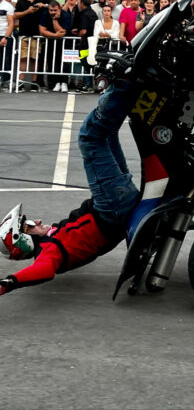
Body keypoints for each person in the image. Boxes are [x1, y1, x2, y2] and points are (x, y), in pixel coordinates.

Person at [0, 74, 141, 297]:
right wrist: (9, 282)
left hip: (112, 204)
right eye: (27, 224)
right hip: (111, 208)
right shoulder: (47, 251)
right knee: (89, 137)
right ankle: (128, 82)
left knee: (105, 131)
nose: (36, 220)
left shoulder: (51, 240)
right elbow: (43, 271)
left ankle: (131, 86)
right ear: (24, 241)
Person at [13, 0, 50, 90]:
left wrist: (44, 5)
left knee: (35, 59)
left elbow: (55, 5)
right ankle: (21, 82)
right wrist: (27, 11)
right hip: (23, 34)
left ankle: (34, 83)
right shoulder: (22, 0)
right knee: (23, 58)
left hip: (36, 35)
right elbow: (16, 14)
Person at [38, 0, 71, 93]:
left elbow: (62, 32)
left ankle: (64, 82)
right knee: (52, 61)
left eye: (55, 10)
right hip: (50, 41)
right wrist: (55, 35)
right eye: (51, 10)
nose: (53, 12)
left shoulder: (65, 15)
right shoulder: (45, 14)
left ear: (59, 9)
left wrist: (55, 20)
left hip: (64, 42)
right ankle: (54, 83)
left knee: (64, 62)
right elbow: (42, 31)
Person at [0, 0, 15, 85]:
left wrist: (6, 37)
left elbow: (11, 24)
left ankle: (5, 81)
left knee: (5, 59)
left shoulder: (7, 6)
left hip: (3, 35)